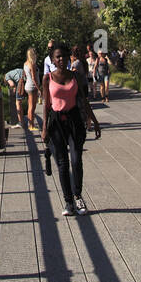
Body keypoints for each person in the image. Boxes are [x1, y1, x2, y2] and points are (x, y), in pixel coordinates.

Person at [41, 44, 87, 216]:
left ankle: (78, 196)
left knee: (76, 160)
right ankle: (68, 202)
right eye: (57, 57)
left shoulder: (75, 75)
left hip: (74, 120)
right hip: (56, 121)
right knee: (62, 163)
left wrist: (93, 121)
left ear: (68, 58)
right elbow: (46, 105)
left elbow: (83, 99)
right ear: (52, 60)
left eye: (64, 56)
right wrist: (44, 128)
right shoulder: (47, 79)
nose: (61, 59)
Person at [3, 65, 28, 131]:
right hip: (26, 79)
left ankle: (20, 123)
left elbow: (12, 84)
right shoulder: (12, 72)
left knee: (18, 103)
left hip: (21, 82)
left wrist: (13, 87)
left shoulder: (7, 76)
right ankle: (24, 121)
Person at [23, 48, 42, 132]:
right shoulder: (32, 64)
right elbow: (34, 78)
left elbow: (25, 75)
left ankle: (30, 124)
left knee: (30, 105)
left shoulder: (25, 63)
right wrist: (39, 89)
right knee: (32, 106)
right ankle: (31, 125)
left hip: (28, 85)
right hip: (32, 86)